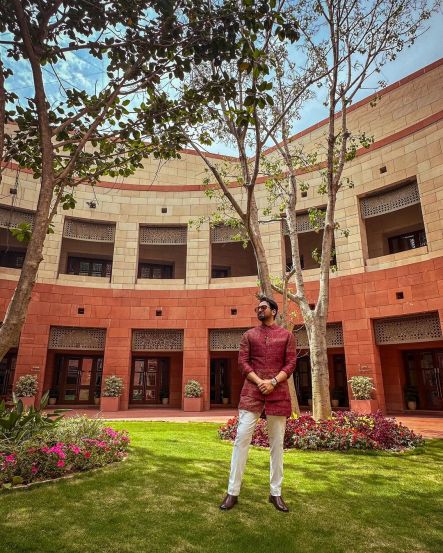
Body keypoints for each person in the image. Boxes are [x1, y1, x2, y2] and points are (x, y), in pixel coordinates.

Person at [220, 296, 296, 512]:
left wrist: (273, 382)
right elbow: (242, 362)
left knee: (277, 445)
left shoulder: (286, 336)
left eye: (263, 307)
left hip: (278, 392)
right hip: (251, 392)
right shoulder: (249, 335)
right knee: (241, 440)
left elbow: (291, 363)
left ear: (273, 310)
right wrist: (260, 381)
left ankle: (276, 493)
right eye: (257, 308)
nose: (259, 310)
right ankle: (232, 492)